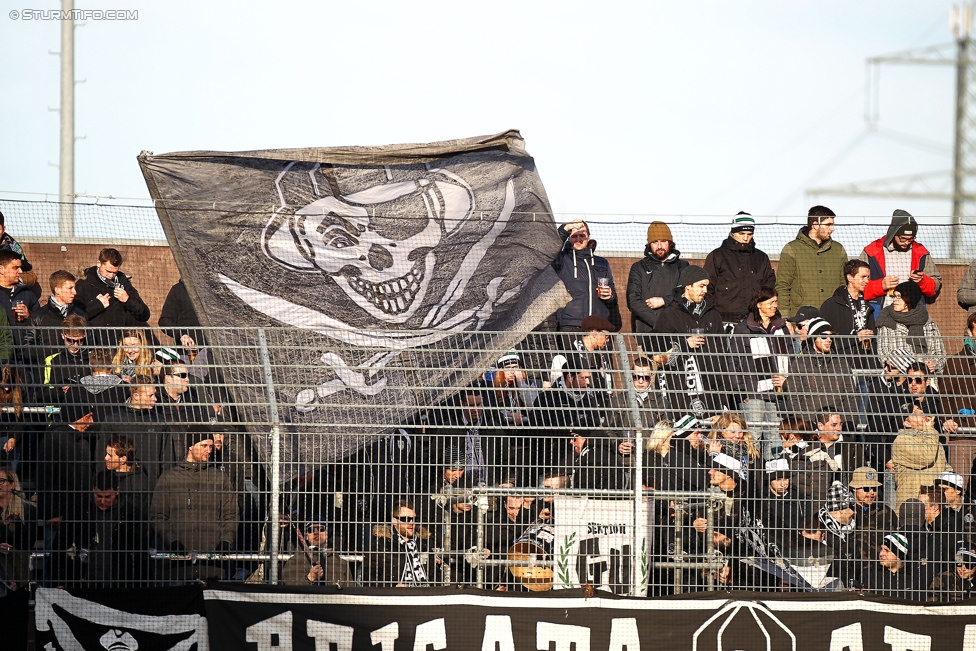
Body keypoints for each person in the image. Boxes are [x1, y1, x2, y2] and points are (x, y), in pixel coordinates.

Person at [149, 426, 239, 580]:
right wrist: (172, 542)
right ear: (191, 446)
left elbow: (230, 514)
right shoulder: (170, 478)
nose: (209, 450)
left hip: (212, 562)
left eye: (211, 446)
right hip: (177, 564)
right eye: (204, 445)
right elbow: (158, 516)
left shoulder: (220, 478)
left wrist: (225, 541)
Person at [652, 265, 729, 417]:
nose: (705, 291)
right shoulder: (668, 314)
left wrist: (723, 388)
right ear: (688, 286)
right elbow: (659, 356)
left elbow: (722, 353)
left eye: (706, 286)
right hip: (680, 387)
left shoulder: (713, 313)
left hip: (711, 388)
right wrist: (685, 344)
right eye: (701, 286)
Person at [55, 470, 147, 589]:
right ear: (93, 489)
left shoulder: (131, 515)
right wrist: (59, 581)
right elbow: (60, 545)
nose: (103, 501)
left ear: (117, 491)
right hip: (83, 584)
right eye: (98, 496)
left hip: (118, 585)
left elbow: (141, 554)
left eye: (108, 497)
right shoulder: (78, 511)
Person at [730, 285, 791, 461]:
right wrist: (740, 390)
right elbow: (733, 361)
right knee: (753, 435)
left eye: (776, 302)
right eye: (771, 302)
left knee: (774, 437)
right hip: (752, 392)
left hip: (777, 393)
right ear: (758, 304)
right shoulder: (743, 329)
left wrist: (787, 380)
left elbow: (790, 357)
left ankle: (771, 478)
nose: (775, 305)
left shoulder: (781, 328)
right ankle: (749, 477)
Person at [860, 209, 942, 316]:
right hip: (878, 313)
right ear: (893, 233)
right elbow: (857, 284)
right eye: (903, 238)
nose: (907, 242)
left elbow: (936, 284)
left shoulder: (921, 252)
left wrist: (922, 281)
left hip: (912, 314)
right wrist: (881, 285)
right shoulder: (871, 251)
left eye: (911, 239)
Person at [703, 213, 777, 325]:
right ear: (733, 232)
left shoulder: (761, 258)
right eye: (741, 233)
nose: (746, 238)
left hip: (754, 320)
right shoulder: (717, 256)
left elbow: (769, 289)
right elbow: (707, 288)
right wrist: (712, 314)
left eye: (750, 234)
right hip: (723, 320)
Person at [775, 206, 847, 318]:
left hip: (832, 319)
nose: (832, 229)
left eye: (832, 224)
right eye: (828, 225)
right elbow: (783, 286)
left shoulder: (838, 250)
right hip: (802, 320)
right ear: (815, 225)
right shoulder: (792, 249)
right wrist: (785, 318)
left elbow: (845, 285)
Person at [101, 378, 175, 487]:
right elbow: (102, 455)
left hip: (152, 486)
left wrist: (166, 484)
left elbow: (167, 458)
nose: (155, 399)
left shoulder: (159, 422)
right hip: (118, 486)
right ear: (136, 396)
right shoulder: (114, 419)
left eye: (154, 395)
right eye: (150, 395)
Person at [551, 220, 617, 331]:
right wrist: (565, 228)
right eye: (574, 236)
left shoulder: (602, 262)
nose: (578, 239)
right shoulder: (561, 259)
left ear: (588, 236)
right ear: (568, 238)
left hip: (597, 326)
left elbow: (614, 298)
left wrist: (610, 296)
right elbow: (550, 249)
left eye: (582, 235)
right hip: (570, 324)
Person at [74, 248, 151, 342]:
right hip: (93, 343)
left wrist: (128, 300)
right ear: (99, 263)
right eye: (108, 271)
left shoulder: (123, 283)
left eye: (115, 272)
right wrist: (97, 305)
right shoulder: (84, 283)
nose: (111, 276)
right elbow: (74, 316)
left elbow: (144, 314)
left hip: (118, 344)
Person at [627, 221, 689, 333]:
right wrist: (659, 322)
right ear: (649, 244)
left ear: (670, 243)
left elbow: (686, 296)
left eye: (663, 241)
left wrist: (664, 300)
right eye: (655, 242)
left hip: (678, 332)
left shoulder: (683, 267)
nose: (659, 246)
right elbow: (633, 301)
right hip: (647, 334)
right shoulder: (638, 267)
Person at [875, 281, 946, 376]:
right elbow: (883, 354)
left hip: (925, 378)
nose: (895, 300)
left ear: (910, 299)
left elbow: (940, 353)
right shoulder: (886, 320)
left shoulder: (928, 322)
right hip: (898, 377)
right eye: (894, 296)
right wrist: (909, 368)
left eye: (899, 297)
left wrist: (934, 364)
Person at [889, 403, 948, 511]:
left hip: (933, 505)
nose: (921, 412)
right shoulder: (902, 440)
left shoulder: (932, 439)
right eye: (915, 413)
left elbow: (943, 466)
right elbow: (927, 458)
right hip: (911, 506)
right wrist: (930, 431)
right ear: (907, 423)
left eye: (920, 410)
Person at [942, 311, 976, 486]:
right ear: (970, 332)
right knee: (960, 486)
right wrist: (948, 419)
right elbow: (945, 395)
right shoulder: (955, 363)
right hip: (964, 432)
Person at [366, 499, 433, 588]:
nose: (411, 523)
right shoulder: (382, 545)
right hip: (396, 597)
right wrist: (392, 588)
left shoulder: (424, 543)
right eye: (406, 519)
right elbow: (368, 578)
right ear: (394, 521)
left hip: (426, 595)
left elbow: (435, 575)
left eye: (414, 519)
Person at [819, 259, 877, 360]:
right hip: (840, 364)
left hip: (865, 363)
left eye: (868, 277)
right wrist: (855, 338)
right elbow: (823, 338)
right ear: (850, 277)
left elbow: (874, 337)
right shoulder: (832, 305)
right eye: (863, 277)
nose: (867, 281)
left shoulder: (868, 306)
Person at [26, 270, 87, 354]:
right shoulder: (37, 317)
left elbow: (89, 343)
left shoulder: (80, 314)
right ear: (57, 290)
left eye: (74, 288)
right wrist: (52, 355)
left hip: (75, 365)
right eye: (70, 288)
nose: (75, 292)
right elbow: (27, 348)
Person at [282, 516, 353, 587]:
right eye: (311, 530)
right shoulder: (294, 561)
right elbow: (290, 592)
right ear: (306, 536)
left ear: (327, 533)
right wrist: (310, 578)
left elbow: (349, 592)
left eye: (321, 529)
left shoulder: (341, 563)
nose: (316, 532)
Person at [0, 468, 38, 591]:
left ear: (12, 485)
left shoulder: (27, 509)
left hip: (17, 565)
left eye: (1, 481)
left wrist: (16, 523)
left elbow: (29, 542)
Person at [848, 466, 896, 564]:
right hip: (853, 568)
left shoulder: (886, 512)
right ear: (854, 488)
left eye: (874, 488)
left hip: (880, 569)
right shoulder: (847, 512)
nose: (871, 493)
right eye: (866, 489)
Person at [0, 250, 40, 351]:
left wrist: (29, 315)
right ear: (1, 269)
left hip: (24, 352)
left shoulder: (25, 291)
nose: (21, 271)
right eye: (15, 268)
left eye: (20, 267)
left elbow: (40, 316)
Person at [104, 434, 153, 514]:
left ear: (123, 459)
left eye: (110, 455)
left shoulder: (140, 484)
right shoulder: (105, 476)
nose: (105, 458)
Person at [861, 532, 920, 598]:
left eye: (886, 550)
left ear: (899, 555)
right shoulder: (869, 575)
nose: (881, 554)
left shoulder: (914, 578)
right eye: (881, 549)